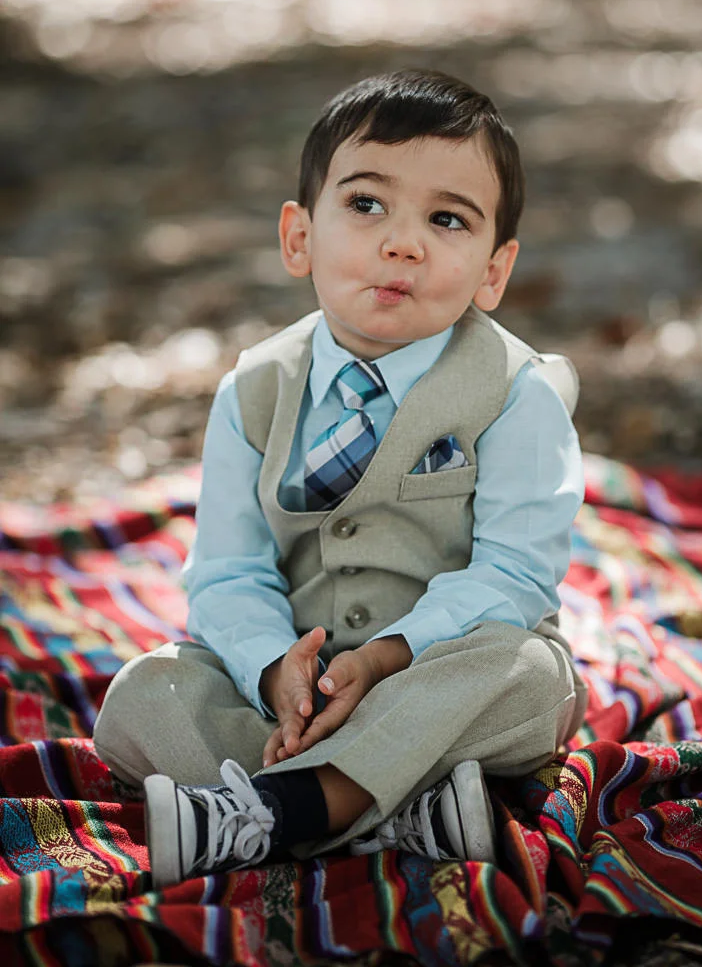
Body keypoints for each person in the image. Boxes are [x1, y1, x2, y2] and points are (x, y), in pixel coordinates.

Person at [93, 67, 588, 889]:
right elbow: (227, 572)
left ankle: (276, 812)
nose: (403, 242)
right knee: (144, 697)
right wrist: (273, 671)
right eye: (366, 204)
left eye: (447, 219)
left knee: (532, 682)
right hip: (297, 689)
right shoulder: (255, 390)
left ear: (494, 272)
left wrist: (391, 658)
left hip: (439, 669)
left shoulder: (516, 391)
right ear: (299, 238)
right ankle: (395, 809)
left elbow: (516, 572)